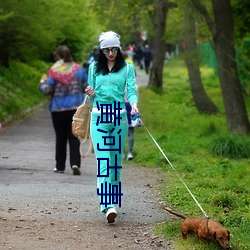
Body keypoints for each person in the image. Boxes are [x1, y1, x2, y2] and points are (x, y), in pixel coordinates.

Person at [85, 31, 138, 223]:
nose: (110, 53)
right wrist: (90, 92)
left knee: (115, 163)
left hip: (119, 118)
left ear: (119, 48)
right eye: (106, 50)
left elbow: (131, 90)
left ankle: (112, 201)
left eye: (114, 49)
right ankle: (107, 205)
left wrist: (133, 104)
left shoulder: (127, 68)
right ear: (101, 50)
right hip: (99, 117)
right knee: (104, 163)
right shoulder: (93, 68)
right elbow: (91, 97)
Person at [39, 45, 88, 175]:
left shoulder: (54, 71)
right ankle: (75, 163)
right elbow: (86, 87)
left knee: (60, 138)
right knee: (74, 137)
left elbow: (47, 90)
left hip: (58, 109)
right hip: (75, 109)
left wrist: (42, 83)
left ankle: (60, 166)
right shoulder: (79, 70)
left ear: (58, 57)